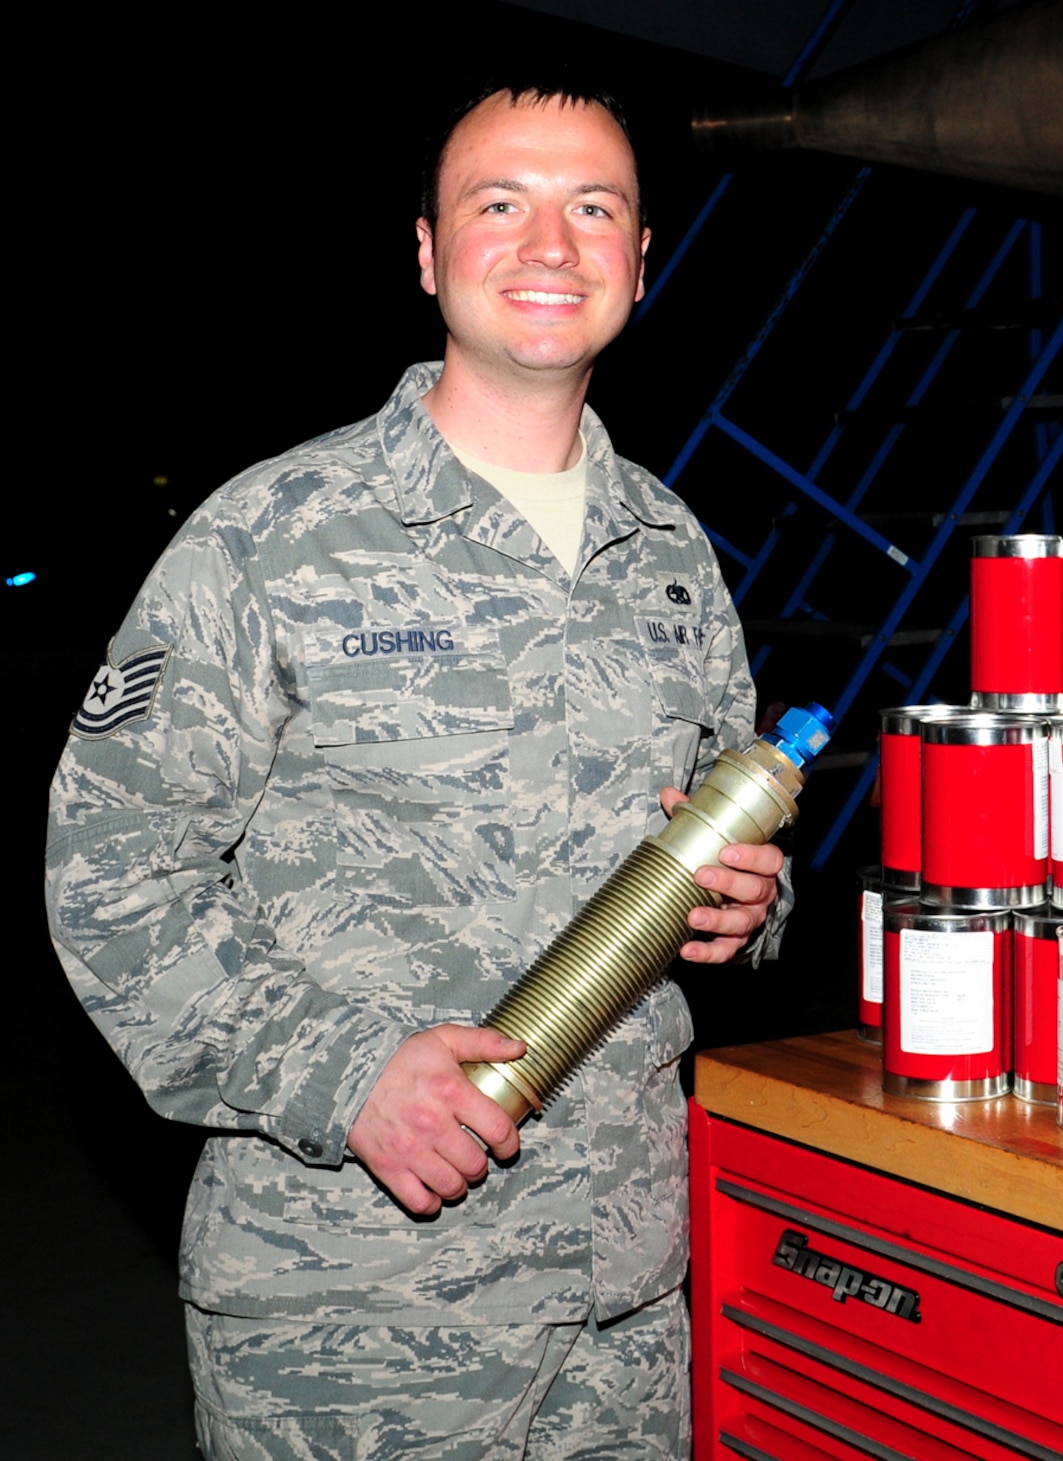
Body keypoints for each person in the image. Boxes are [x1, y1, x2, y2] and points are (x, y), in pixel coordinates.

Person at [45, 80, 783, 1459]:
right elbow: (109, 871)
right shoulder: (272, 533)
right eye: (500, 205)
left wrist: (752, 905)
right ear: (431, 257)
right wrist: (342, 1072)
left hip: (621, 1308)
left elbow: (707, 844)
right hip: (351, 1317)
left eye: (593, 209)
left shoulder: (672, 555)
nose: (549, 245)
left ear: (641, 259)